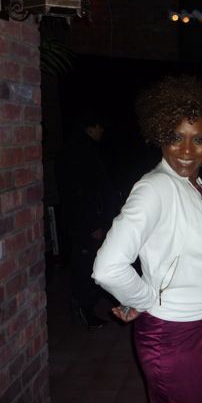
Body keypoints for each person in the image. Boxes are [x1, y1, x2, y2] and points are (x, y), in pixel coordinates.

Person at [91, 76, 202, 403]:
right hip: (173, 336)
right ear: (160, 136)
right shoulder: (154, 188)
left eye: (198, 139)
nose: (186, 150)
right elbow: (108, 268)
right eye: (176, 137)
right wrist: (145, 300)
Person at [57, 109, 116, 330]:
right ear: (90, 128)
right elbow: (81, 192)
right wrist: (94, 224)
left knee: (91, 262)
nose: (102, 131)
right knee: (85, 266)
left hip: (89, 220)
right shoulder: (79, 152)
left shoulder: (84, 149)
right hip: (86, 223)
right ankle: (84, 309)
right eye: (99, 127)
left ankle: (91, 302)